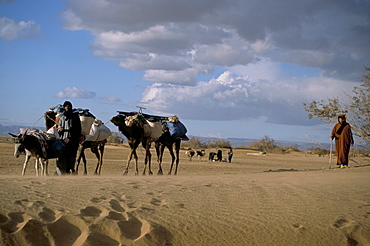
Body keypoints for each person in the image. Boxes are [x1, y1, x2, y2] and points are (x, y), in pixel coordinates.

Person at [57, 101, 81, 174]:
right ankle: (63, 170)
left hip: (73, 140)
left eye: (69, 106)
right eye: (66, 106)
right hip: (63, 138)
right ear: (64, 107)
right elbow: (59, 129)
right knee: (63, 154)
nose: (67, 108)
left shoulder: (75, 117)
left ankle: (71, 169)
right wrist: (60, 130)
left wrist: (73, 137)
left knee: (72, 155)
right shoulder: (62, 118)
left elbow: (78, 129)